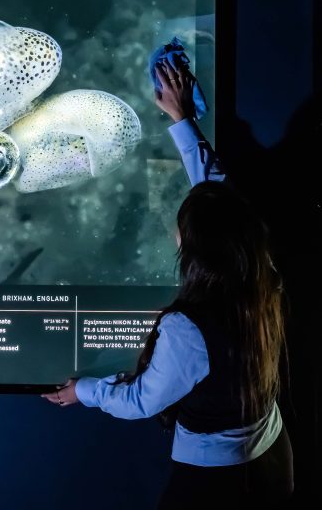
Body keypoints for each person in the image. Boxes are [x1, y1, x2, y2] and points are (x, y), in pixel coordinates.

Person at [42, 59, 293, 509]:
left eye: (181, 227)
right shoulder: (260, 272)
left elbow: (141, 400)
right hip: (273, 457)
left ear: (194, 248)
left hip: (219, 484)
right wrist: (183, 120)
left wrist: (83, 391)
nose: (175, 232)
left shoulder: (189, 327)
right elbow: (219, 198)